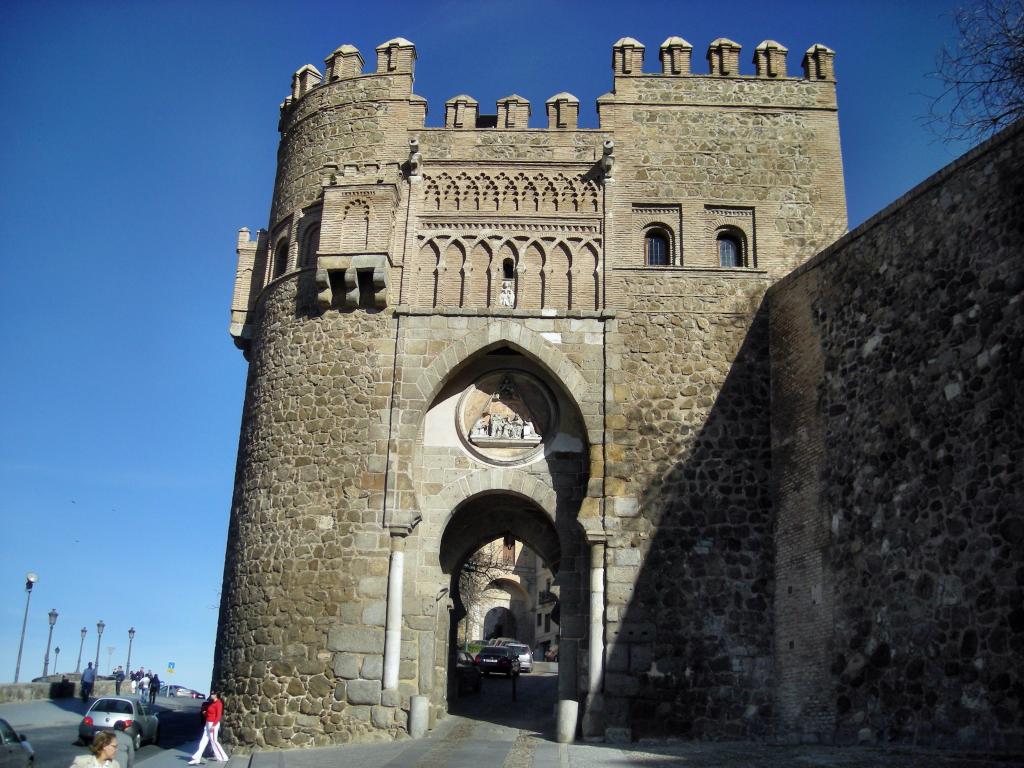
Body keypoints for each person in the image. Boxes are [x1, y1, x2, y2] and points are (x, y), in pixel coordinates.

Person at [188, 692, 227, 764]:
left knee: (214, 741)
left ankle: (223, 757)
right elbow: (210, 713)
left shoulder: (218, 703)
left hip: (213, 724)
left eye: (212, 694)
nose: (211, 695)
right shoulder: (212, 703)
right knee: (203, 741)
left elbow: (218, 716)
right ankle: (197, 757)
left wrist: (214, 725)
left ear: (216, 695)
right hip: (207, 723)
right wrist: (205, 713)